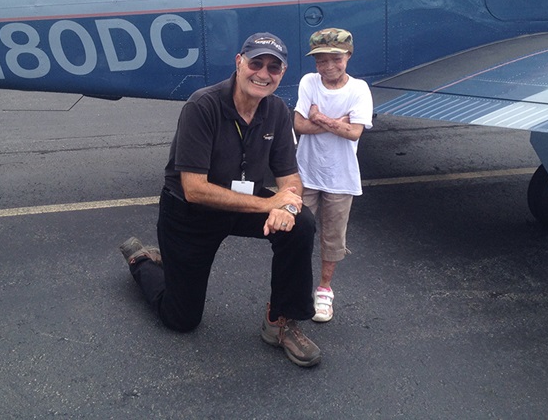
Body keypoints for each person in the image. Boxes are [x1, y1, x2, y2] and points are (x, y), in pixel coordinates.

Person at [119, 32, 321, 368]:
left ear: (282, 73)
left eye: (274, 67)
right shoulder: (203, 105)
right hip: (190, 213)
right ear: (239, 63)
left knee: (301, 224)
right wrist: (269, 204)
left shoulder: (277, 112)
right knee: (181, 319)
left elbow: (290, 180)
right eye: (256, 62)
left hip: (242, 202)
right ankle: (142, 261)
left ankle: (280, 322)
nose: (263, 73)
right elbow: (194, 189)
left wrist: (286, 206)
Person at [293, 28, 373, 323]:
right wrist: (336, 123)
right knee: (297, 231)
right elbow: (298, 125)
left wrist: (320, 117)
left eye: (335, 59)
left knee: (333, 236)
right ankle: (296, 285)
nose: (327, 66)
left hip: (341, 177)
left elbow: (354, 131)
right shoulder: (309, 82)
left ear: (348, 56)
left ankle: (324, 290)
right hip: (307, 171)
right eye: (321, 60)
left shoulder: (359, 89)